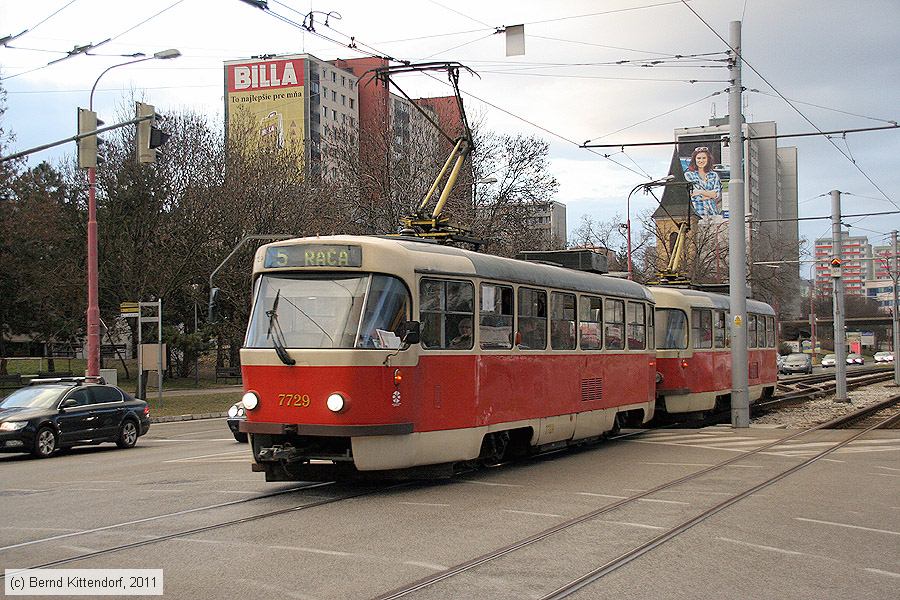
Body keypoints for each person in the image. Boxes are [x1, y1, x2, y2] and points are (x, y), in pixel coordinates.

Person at [683, 146, 722, 217]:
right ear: (694, 160)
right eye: (698, 158)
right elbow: (693, 195)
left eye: (704, 158)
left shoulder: (713, 175)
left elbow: (716, 194)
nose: (701, 160)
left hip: (713, 213)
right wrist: (709, 195)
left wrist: (700, 192)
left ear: (708, 160)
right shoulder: (688, 175)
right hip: (697, 214)